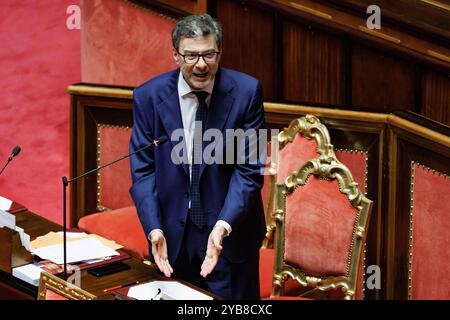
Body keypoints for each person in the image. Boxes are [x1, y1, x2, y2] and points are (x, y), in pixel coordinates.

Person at [129, 14, 266, 300]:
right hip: (173, 236)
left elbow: (249, 170)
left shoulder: (247, 93)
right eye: (191, 56)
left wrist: (223, 226)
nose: (201, 65)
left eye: (208, 54)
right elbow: (143, 172)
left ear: (220, 52)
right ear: (175, 55)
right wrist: (154, 227)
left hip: (230, 235)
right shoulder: (148, 97)